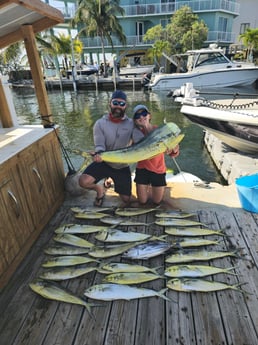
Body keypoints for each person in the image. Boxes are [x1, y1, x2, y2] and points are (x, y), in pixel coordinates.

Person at [79, 90, 144, 206]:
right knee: (83, 181)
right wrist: (99, 154)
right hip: (105, 162)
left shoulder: (131, 124)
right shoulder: (99, 123)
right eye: (115, 103)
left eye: (122, 104)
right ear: (110, 103)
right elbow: (99, 145)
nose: (118, 106)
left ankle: (109, 179)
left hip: (122, 165)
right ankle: (99, 190)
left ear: (126, 106)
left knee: (126, 200)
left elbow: (140, 141)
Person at [133, 104, 180, 206]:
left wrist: (174, 149)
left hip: (158, 169)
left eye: (144, 113)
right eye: (137, 116)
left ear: (149, 115)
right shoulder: (135, 134)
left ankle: (155, 188)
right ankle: (147, 187)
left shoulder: (161, 131)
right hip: (142, 169)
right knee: (142, 201)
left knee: (157, 201)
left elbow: (173, 153)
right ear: (135, 121)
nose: (141, 117)